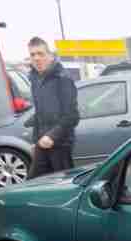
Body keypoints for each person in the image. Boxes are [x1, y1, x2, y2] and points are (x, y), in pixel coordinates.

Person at [25, 37, 79, 178]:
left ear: (50, 56)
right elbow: (40, 113)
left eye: (40, 53)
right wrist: (36, 140)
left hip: (61, 143)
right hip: (42, 142)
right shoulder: (35, 79)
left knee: (63, 182)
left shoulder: (63, 79)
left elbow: (73, 116)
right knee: (35, 181)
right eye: (32, 54)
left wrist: (51, 136)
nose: (36, 58)